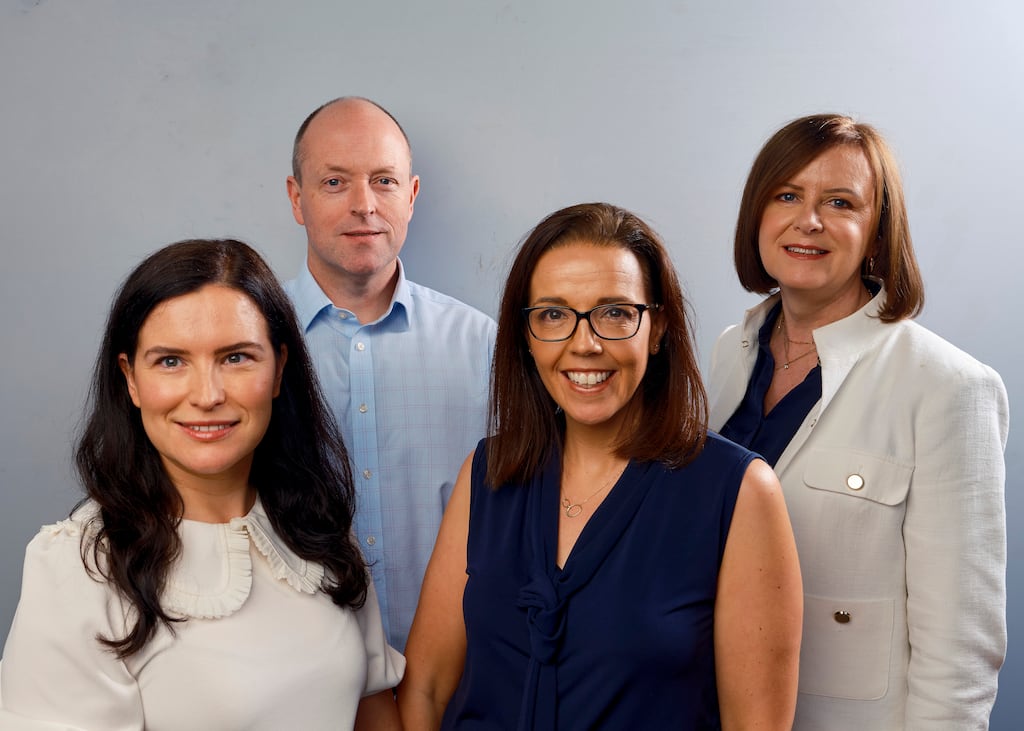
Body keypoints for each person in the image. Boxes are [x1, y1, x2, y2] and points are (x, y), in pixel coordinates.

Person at [398, 202, 803, 729]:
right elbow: (425, 690)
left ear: (657, 329)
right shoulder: (488, 472)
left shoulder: (739, 492)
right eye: (553, 314)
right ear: (525, 336)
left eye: (614, 313)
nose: (583, 344)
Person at [0, 239, 403, 730]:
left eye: (236, 358)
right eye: (171, 361)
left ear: (279, 368)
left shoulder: (321, 533)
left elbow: (373, 710)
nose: (207, 395)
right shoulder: (80, 567)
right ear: (130, 379)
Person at [708, 114, 1009, 729]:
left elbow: (960, 655)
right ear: (756, 216)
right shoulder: (724, 355)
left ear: (877, 233)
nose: (808, 220)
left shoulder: (948, 388)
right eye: (786, 195)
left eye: (840, 202)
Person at [284, 97, 496, 652]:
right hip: (297, 686)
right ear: (296, 198)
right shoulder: (251, 345)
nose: (364, 205)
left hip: (460, 683)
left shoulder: (484, 347)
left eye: (383, 180)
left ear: (412, 195)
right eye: (335, 182)